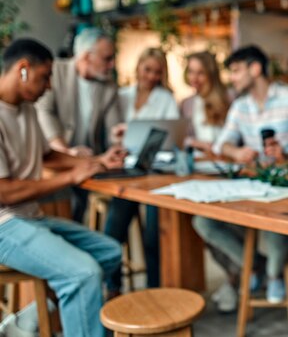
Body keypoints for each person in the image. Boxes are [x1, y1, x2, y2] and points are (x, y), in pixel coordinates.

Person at [0, 38, 125, 337]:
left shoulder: (26, 109)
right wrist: (70, 178)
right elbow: (4, 193)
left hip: (29, 218)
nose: (49, 87)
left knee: (109, 252)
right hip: (4, 225)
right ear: (23, 70)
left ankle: (26, 321)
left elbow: (48, 156)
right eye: (45, 77)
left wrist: (95, 162)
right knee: (83, 274)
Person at [192, 45, 288, 312]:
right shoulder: (240, 106)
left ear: (255, 69)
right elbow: (221, 145)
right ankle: (256, 266)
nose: (233, 78)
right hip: (253, 182)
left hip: (286, 184)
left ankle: (274, 276)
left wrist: (286, 154)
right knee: (203, 221)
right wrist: (236, 151)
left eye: (237, 71)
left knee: (273, 220)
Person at [104, 47, 178, 295]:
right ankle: (113, 286)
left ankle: (154, 289)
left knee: (153, 235)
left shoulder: (165, 99)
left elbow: (173, 136)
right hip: (125, 171)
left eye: (157, 72)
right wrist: (115, 136)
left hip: (155, 172)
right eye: (147, 69)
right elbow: (107, 132)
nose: (151, 76)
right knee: (114, 228)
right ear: (137, 68)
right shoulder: (120, 96)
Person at [35, 27, 123, 223]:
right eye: (106, 59)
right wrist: (65, 151)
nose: (112, 64)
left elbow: (113, 128)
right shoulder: (55, 71)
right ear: (86, 57)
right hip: (56, 160)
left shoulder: (108, 86)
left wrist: (118, 137)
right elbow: (44, 112)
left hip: (89, 161)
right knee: (65, 212)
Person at [179, 51, 230, 155]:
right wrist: (198, 143)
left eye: (201, 73)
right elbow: (181, 138)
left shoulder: (228, 98)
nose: (194, 78)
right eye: (191, 72)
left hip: (226, 159)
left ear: (211, 74)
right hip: (200, 159)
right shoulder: (186, 104)